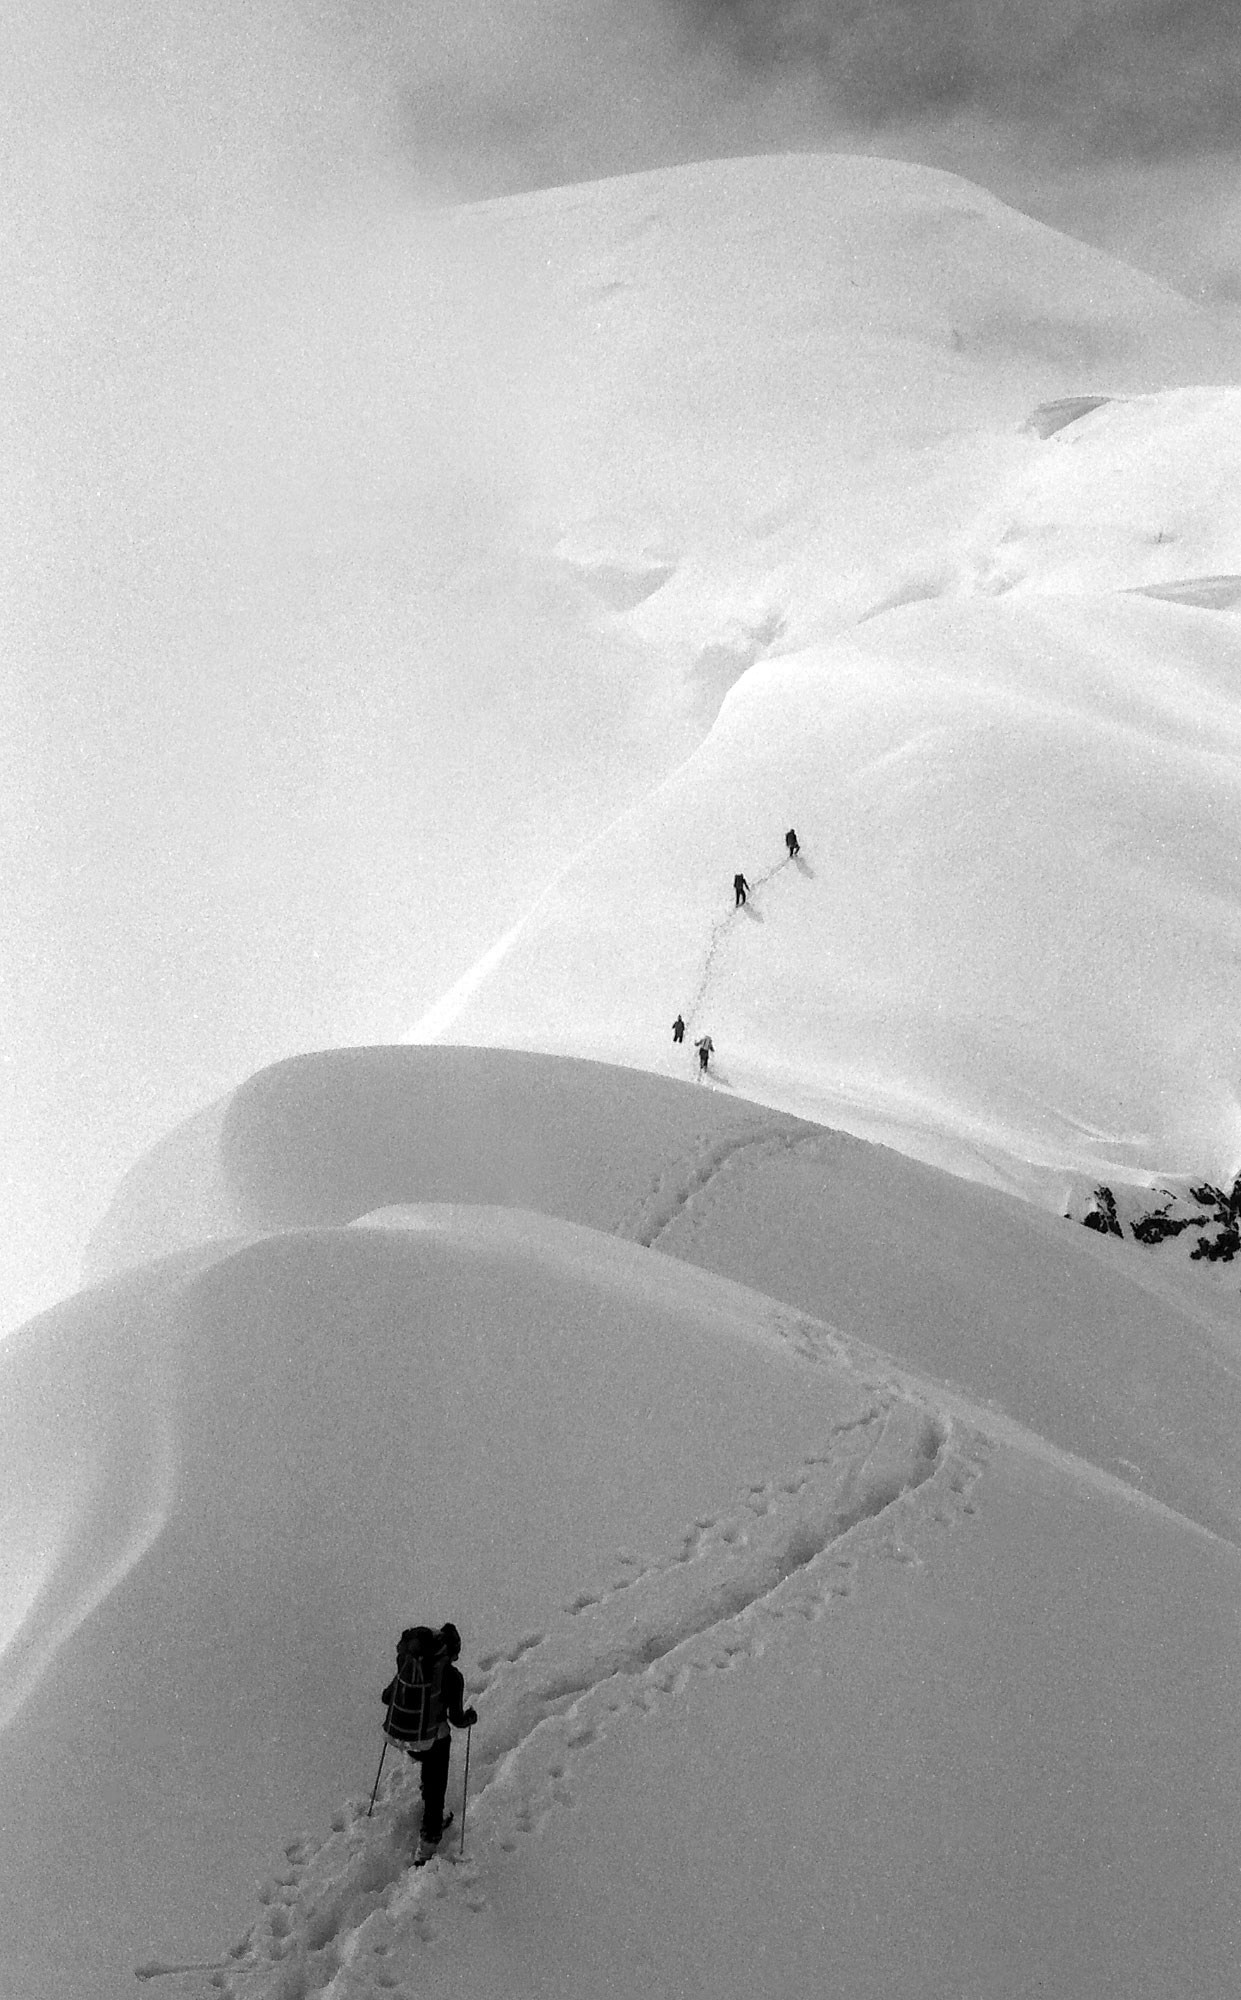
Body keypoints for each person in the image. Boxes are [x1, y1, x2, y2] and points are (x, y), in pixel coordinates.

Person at [381, 1623, 477, 1857]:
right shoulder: (453, 1677)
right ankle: (427, 1845)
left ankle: (427, 1792)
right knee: (437, 1782)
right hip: (431, 1742)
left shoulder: (409, 1666)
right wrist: (470, 1718)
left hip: (402, 1737)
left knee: (429, 1760)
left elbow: (386, 1698)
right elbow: (456, 1719)